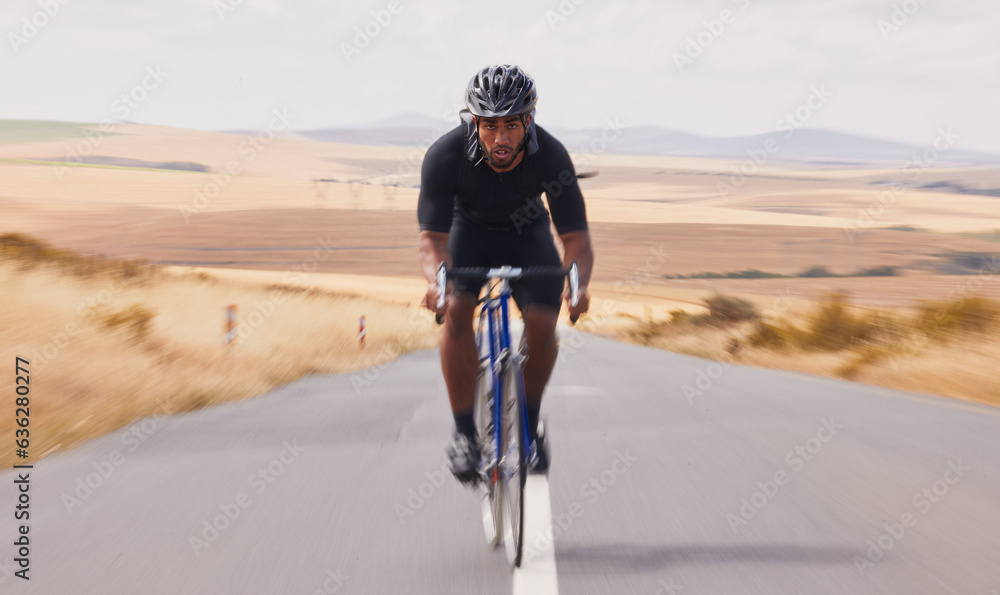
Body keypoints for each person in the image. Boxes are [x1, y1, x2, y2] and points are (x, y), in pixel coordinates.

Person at [417, 64, 594, 484]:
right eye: (490, 125)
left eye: (512, 125)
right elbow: (432, 240)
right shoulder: (446, 156)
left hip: (526, 234)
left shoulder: (550, 155)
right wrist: (434, 282)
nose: (501, 138)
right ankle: (464, 435)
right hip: (467, 233)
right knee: (458, 309)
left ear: (528, 121)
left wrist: (579, 283)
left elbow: (576, 240)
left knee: (541, 320)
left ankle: (528, 426)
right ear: (474, 121)